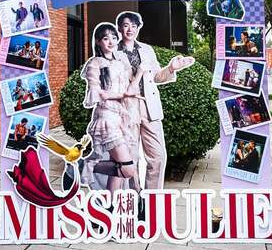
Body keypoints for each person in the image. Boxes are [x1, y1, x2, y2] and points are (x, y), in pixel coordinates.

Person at [116, 11, 194, 190]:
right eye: (126, 25)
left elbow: (157, 77)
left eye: (133, 26)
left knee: (158, 156)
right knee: (130, 157)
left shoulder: (147, 50)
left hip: (149, 106)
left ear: (138, 28)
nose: (130, 29)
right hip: (127, 108)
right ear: (119, 28)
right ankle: (134, 195)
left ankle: (152, 197)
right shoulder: (113, 52)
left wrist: (171, 68)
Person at [81, 23, 144, 195]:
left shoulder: (119, 63)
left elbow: (127, 90)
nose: (111, 42)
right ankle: (85, 165)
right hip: (106, 117)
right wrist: (122, 94)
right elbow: (98, 93)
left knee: (120, 167)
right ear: (98, 41)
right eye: (105, 38)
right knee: (127, 168)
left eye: (114, 38)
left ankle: (110, 203)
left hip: (120, 117)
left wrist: (138, 76)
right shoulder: (95, 63)